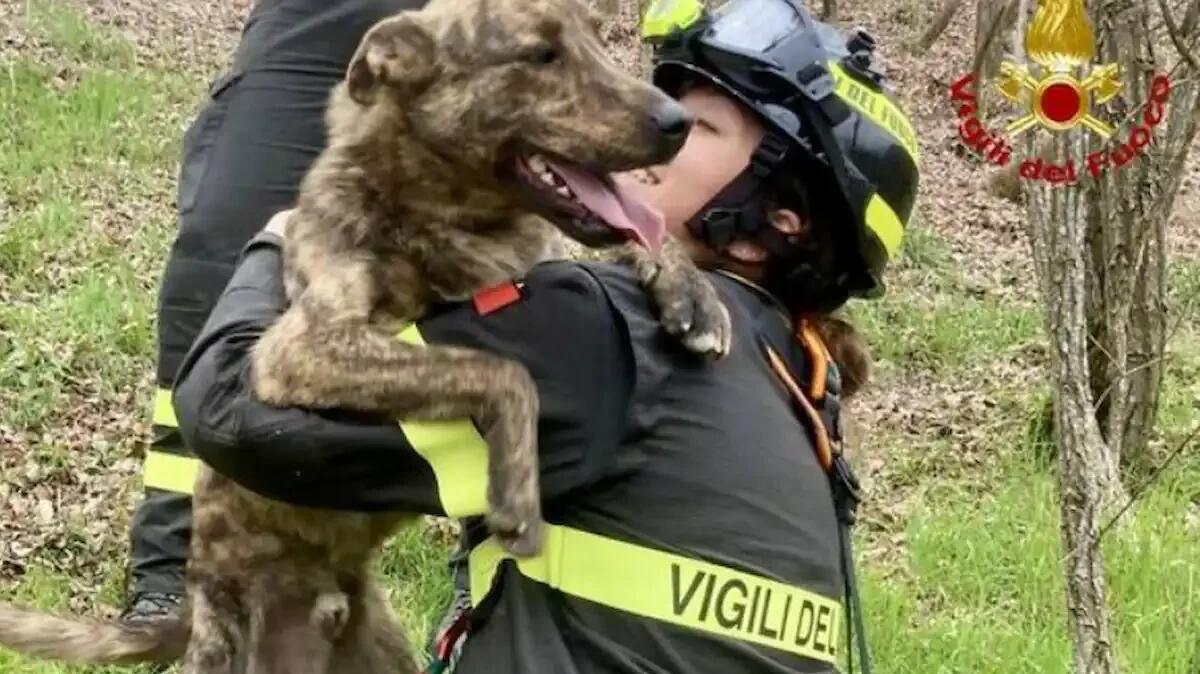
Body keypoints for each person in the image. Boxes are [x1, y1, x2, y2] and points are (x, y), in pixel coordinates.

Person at [171, 0, 920, 672]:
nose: (663, 117)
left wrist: (283, 237)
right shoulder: (794, 379)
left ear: (769, 224)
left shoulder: (599, 334)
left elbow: (236, 420)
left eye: (702, 126)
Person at [123, 0, 428, 626]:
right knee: (215, 273)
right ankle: (170, 566)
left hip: (465, 35)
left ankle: (491, 574)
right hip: (310, 33)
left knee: (495, 291)